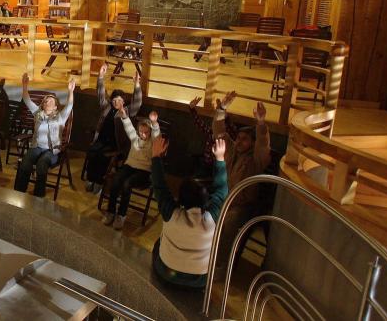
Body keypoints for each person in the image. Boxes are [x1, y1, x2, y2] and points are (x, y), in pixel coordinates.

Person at [196, 92, 271, 265]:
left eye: (245, 140)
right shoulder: (229, 147)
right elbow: (218, 130)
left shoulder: (257, 159)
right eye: (238, 138)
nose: (239, 141)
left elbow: (263, 144)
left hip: (241, 205)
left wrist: (260, 123)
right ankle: (199, 253)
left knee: (226, 225)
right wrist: (222, 108)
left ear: (252, 143)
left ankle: (219, 265)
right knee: (199, 214)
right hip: (221, 198)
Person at [150, 136, 229, 288]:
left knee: (158, 244)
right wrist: (220, 159)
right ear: (206, 200)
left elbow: (159, 186)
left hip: (167, 275)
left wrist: (156, 157)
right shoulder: (212, 218)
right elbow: (221, 190)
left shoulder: (171, 214)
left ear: (180, 199)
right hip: (200, 282)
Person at [13, 73, 74, 198]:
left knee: (42, 164)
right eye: (46, 101)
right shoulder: (38, 114)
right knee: (25, 162)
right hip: (36, 147)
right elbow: (27, 99)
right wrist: (25, 85)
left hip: (51, 151)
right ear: (43, 104)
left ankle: (38, 197)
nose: (48, 102)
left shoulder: (60, 117)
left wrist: (70, 91)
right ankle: (18, 194)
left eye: (51, 100)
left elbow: (69, 106)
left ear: (56, 106)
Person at [84, 63, 142, 193]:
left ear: (124, 101)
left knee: (103, 156)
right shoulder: (107, 107)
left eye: (120, 100)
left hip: (115, 144)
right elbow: (100, 94)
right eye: (115, 100)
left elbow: (137, 102)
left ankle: (98, 182)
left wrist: (136, 85)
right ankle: (90, 178)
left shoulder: (127, 111)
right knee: (93, 152)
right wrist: (100, 76)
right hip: (101, 140)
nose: (117, 103)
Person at [103, 109, 160, 230]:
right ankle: (111, 212)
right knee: (117, 180)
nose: (143, 134)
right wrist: (124, 116)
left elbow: (157, 135)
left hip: (144, 171)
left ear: (150, 132)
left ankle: (121, 215)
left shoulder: (153, 142)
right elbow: (128, 127)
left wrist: (154, 123)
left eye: (146, 132)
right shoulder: (135, 138)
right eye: (141, 131)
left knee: (127, 184)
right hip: (129, 166)